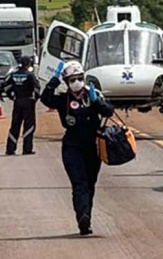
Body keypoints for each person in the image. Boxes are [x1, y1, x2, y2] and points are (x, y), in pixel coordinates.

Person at [41, 61, 113, 236]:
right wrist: (53, 81)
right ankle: (82, 216)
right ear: (67, 82)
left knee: (90, 184)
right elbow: (45, 99)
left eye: (79, 78)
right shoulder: (63, 100)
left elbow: (109, 111)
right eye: (72, 80)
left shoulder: (93, 95)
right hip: (72, 147)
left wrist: (97, 102)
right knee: (79, 183)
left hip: (93, 147)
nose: (77, 82)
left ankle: (86, 217)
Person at [2, 56, 40, 156]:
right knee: (29, 125)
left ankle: (10, 149)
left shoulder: (13, 75)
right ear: (28, 64)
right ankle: (27, 149)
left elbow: (5, 86)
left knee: (15, 125)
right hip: (28, 102)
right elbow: (37, 88)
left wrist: (11, 96)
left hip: (17, 101)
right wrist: (35, 98)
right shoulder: (30, 75)